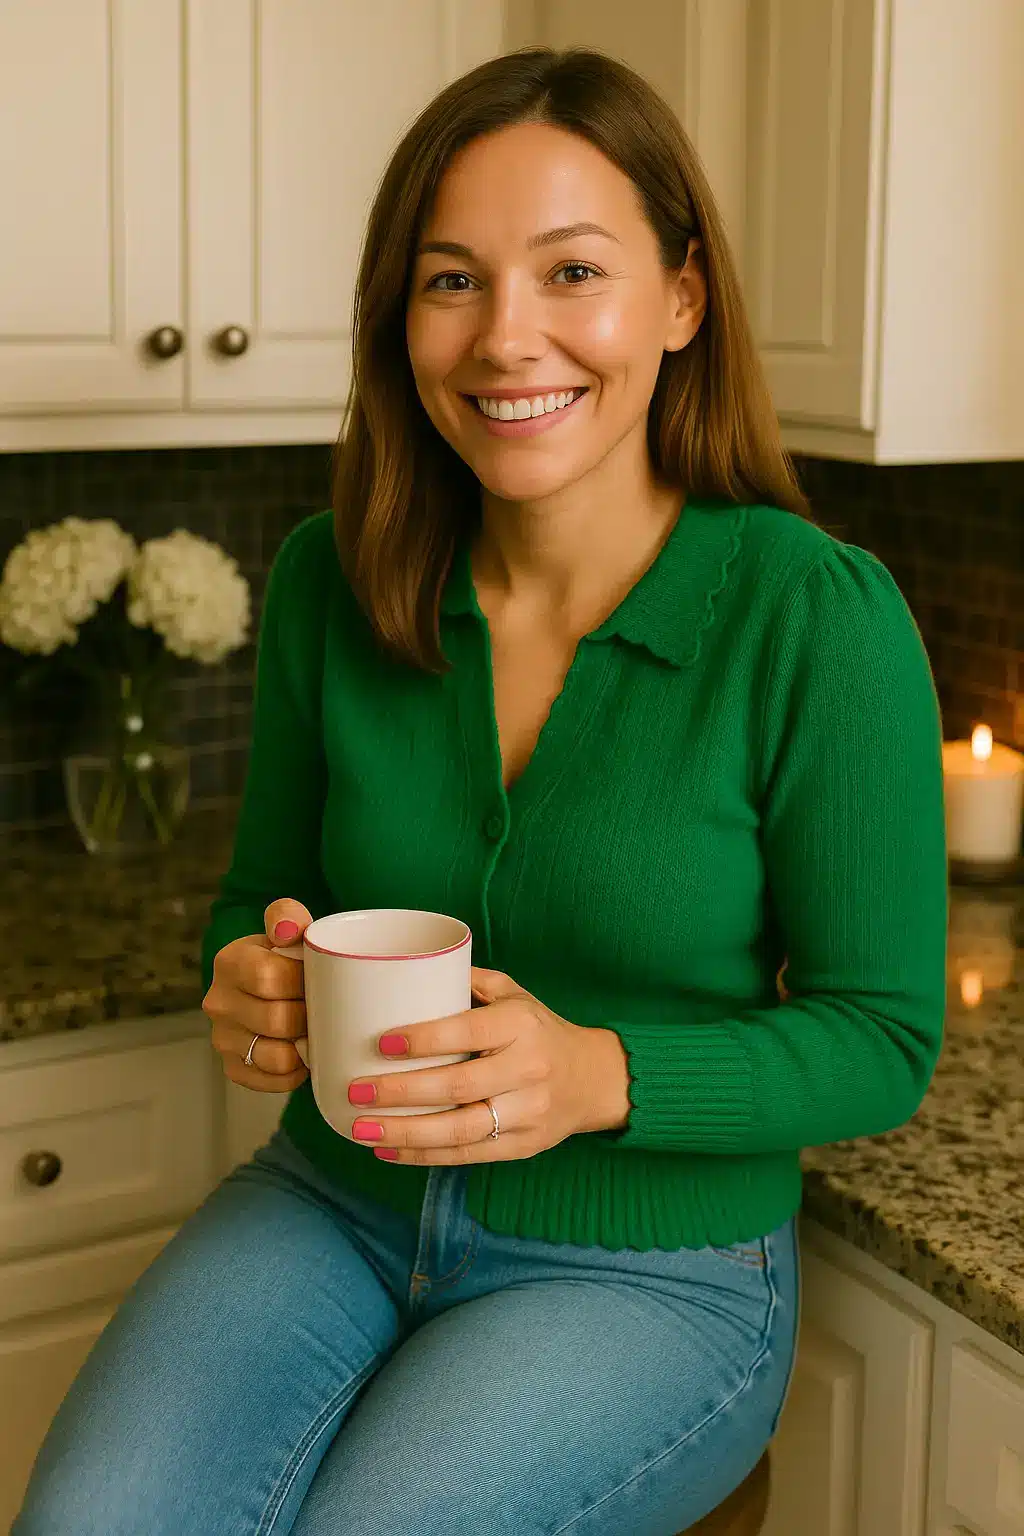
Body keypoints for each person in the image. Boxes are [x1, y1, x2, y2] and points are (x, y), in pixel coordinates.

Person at [15, 46, 947, 1536]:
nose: (508, 338)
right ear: (403, 315)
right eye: (453, 280)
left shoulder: (812, 618)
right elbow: (245, 907)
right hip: (333, 1207)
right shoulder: (335, 578)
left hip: (651, 1275)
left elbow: (885, 1039)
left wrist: (596, 1075)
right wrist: (245, 985)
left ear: (681, 300)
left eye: (573, 271)